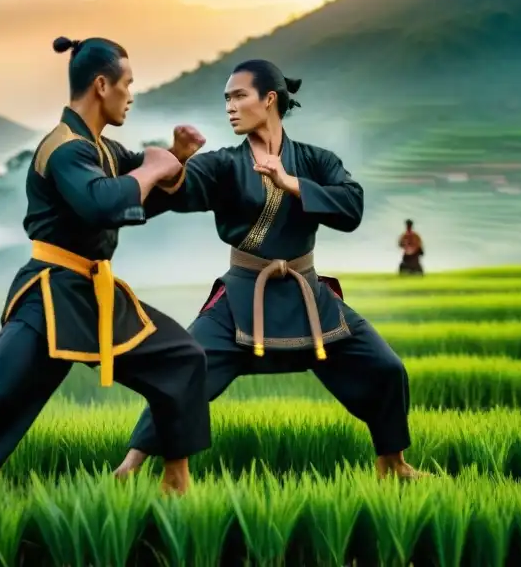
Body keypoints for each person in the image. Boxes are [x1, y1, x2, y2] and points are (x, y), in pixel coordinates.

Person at [0, 36, 212, 517]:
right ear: (102, 84)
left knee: (183, 359)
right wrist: (153, 167)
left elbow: (141, 199)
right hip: (50, 293)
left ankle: (177, 484)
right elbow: (103, 204)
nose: (131, 95)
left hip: (95, 293)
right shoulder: (63, 149)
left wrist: (177, 157)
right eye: (127, 84)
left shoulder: (103, 149)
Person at [114, 59, 426, 482]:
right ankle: (132, 464)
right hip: (243, 297)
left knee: (386, 369)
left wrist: (290, 182)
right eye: (226, 98)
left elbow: (351, 207)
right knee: (185, 369)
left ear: (270, 99)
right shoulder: (223, 164)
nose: (230, 105)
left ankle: (393, 464)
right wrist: (177, 160)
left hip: (307, 296)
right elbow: (170, 194)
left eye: (239, 95)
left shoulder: (316, 161)